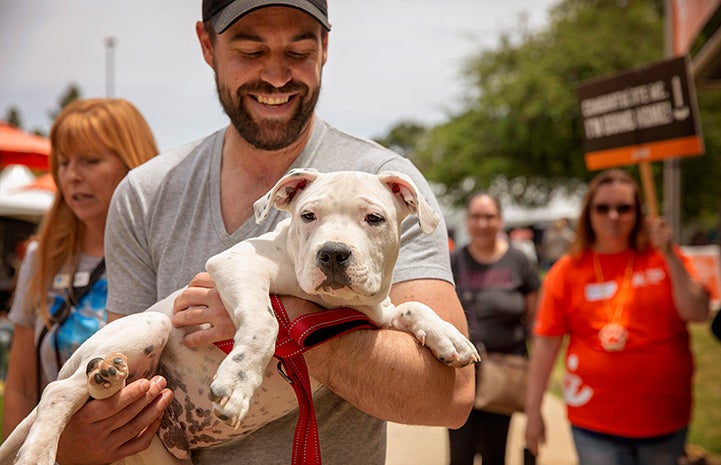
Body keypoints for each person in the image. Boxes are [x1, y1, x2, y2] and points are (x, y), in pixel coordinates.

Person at [52, 2, 476, 464]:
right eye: (251, 50)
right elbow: (118, 389)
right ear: (207, 44)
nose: (276, 76)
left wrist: (281, 321)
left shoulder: (384, 186)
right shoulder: (146, 193)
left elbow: (449, 398)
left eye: (297, 51)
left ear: (325, 47)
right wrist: (72, 444)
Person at [524, 169, 710, 465]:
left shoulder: (663, 256)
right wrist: (533, 411)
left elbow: (698, 313)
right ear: (589, 213)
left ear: (638, 212)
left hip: (664, 419)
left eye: (624, 208)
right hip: (594, 423)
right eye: (603, 208)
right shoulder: (567, 270)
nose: (613, 216)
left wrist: (669, 255)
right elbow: (546, 344)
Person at [2, 98, 158, 436]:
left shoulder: (161, 253)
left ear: (134, 167)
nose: (72, 175)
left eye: (90, 161)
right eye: (62, 162)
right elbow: (19, 388)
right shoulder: (39, 257)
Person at [448, 192, 540, 465]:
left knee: (495, 454)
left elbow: (535, 322)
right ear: (467, 221)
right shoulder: (454, 262)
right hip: (462, 374)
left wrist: (536, 374)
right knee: (460, 453)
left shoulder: (519, 262)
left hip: (506, 373)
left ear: (500, 220)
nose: (483, 223)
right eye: (476, 217)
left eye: (489, 216)